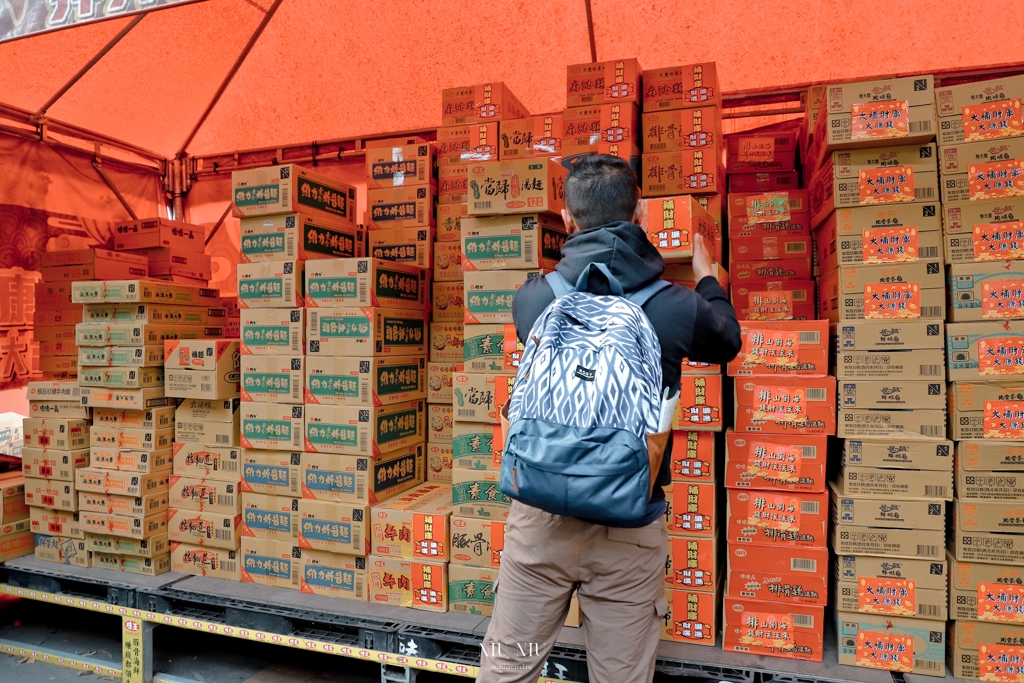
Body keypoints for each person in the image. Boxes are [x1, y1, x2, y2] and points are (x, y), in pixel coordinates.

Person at [477, 154, 742, 683]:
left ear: (566, 219)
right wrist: (708, 279)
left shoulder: (534, 299)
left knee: (508, 672)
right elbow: (727, 343)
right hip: (628, 526)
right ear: (640, 214)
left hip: (540, 520)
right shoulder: (677, 306)